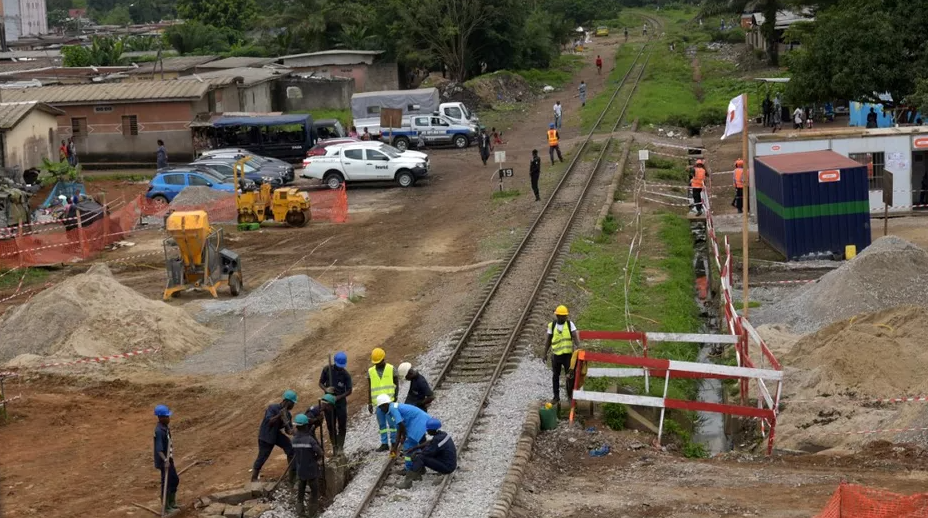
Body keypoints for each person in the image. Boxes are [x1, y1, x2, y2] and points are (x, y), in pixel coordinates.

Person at [374, 395, 432, 480]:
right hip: (419, 420)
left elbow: (401, 425)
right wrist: (395, 447)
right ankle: (421, 467)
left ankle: (409, 470)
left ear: (384, 405)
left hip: (417, 421)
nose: (381, 410)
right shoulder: (392, 408)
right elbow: (399, 428)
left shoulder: (393, 409)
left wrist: (403, 438)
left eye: (380, 407)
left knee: (408, 446)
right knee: (413, 446)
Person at [252, 390, 298, 482]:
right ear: (287, 402)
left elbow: (287, 430)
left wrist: (292, 431)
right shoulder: (272, 408)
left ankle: (292, 473)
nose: (293, 406)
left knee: (290, 447)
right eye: (293, 403)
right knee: (263, 456)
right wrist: (279, 415)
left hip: (276, 434)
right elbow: (270, 421)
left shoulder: (288, 414)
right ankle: (254, 478)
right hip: (266, 434)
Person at [398, 418, 456, 489]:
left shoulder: (437, 439)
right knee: (420, 455)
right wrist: (414, 448)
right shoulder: (442, 435)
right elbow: (430, 442)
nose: (427, 431)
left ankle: (407, 483)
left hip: (448, 467)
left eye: (428, 429)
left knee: (420, 457)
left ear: (432, 430)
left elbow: (427, 453)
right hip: (449, 462)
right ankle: (419, 473)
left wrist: (416, 453)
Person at [543, 305, 580, 403]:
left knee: (570, 376)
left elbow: (575, 336)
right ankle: (556, 397)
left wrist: (579, 347)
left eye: (566, 316)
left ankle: (570, 396)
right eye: (563, 316)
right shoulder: (552, 325)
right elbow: (548, 340)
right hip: (556, 356)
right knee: (555, 376)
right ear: (558, 316)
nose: (565, 317)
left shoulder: (569, 324)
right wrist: (544, 353)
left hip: (568, 356)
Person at [319, 351, 352, 455]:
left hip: (340, 403)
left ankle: (340, 447)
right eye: (338, 366)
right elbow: (320, 382)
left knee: (342, 425)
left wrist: (338, 397)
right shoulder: (326, 370)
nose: (340, 368)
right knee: (330, 425)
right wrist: (326, 389)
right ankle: (334, 446)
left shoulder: (346, 375)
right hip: (328, 402)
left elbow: (349, 390)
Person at [291, 413, 324, 518]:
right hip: (311, 470)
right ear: (306, 426)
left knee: (300, 495)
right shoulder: (310, 440)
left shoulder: (294, 440)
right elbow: (321, 453)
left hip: (300, 470)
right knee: (314, 493)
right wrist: (316, 459)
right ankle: (312, 515)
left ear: (297, 426)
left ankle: (300, 514)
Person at [368, 348, 398, 451]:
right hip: (378, 404)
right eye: (375, 363)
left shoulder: (391, 369)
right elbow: (369, 387)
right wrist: (369, 403)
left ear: (383, 359)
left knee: (392, 424)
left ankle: (394, 441)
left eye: (379, 362)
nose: (377, 364)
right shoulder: (370, 371)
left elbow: (396, 384)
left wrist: (395, 398)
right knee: (382, 425)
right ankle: (384, 443)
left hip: (389, 403)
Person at [153, 405, 179, 513]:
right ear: (160, 417)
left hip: (168, 459)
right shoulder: (159, 431)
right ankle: (167, 507)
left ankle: (172, 503)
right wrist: (165, 460)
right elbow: (159, 449)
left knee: (174, 480)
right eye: (167, 416)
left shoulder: (165, 427)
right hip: (164, 461)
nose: (169, 418)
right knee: (167, 482)